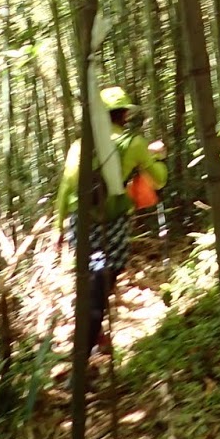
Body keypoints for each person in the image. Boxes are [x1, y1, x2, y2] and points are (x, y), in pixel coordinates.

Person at [53, 85, 168, 357]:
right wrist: (156, 156)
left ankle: (92, 338)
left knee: (90, 280)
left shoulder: (79, 146)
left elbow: (66, 188)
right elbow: (159, 180)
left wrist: (58, 227)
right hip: (112, 220)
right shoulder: (134, 143)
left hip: (80, 220)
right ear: (124, 114)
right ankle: (87, 346)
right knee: (102, 280)